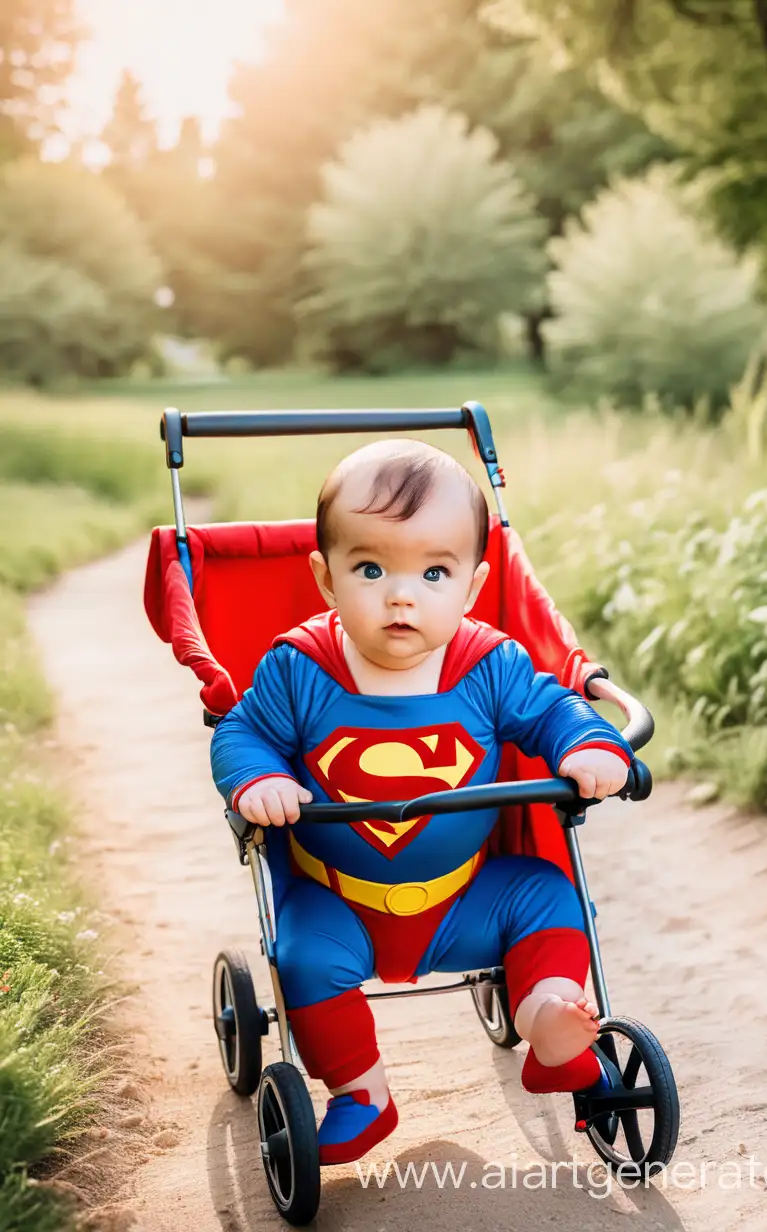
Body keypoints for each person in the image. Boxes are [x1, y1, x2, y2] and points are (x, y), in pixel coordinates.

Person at [211, 439, 633, 1165]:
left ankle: (549, 1024)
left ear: (471, 585)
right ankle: (360, 1092)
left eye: (434, 571)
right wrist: (257, 778)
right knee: (303, 955)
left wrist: (590, 746)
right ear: (325, 577)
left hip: (466, 896)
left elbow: (553, 710)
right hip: (339, 899)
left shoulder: (488, 663)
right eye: (370, 568)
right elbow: (242, 731)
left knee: (547, 896)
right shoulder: (298, 668)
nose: (401, 594)